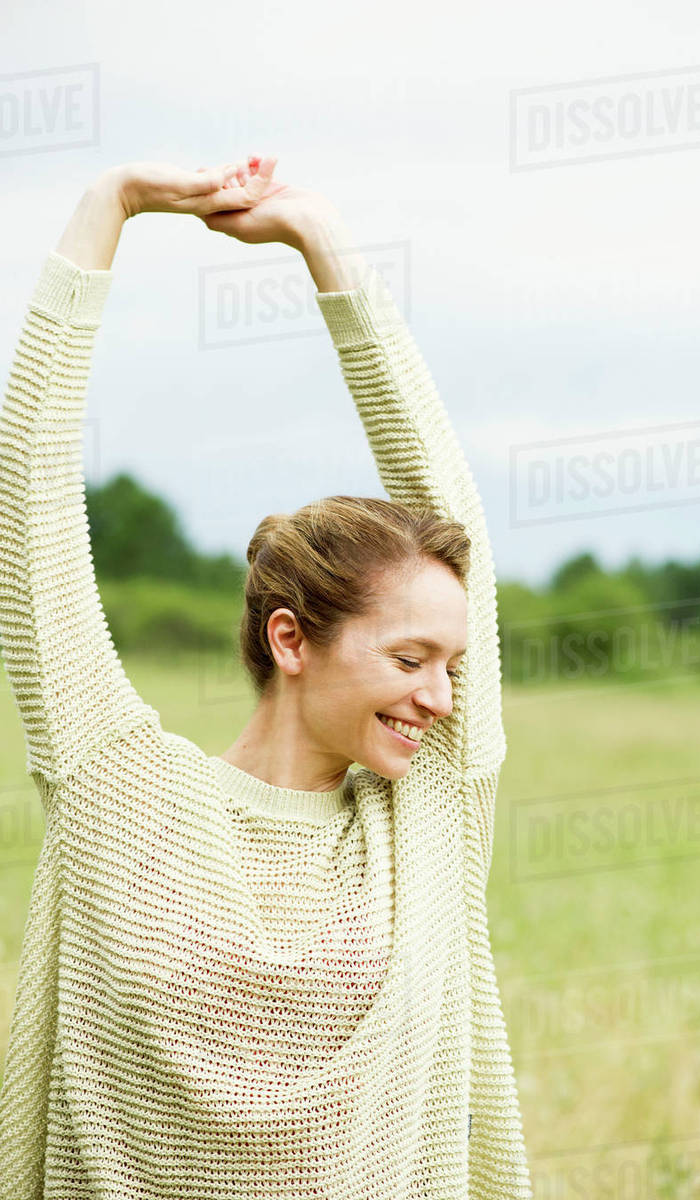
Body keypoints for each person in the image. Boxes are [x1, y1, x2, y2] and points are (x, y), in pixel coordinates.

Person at [0, 155, 533, 1198]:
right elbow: (35, 513)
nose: (442, 696)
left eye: (455, 664)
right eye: (409, 658)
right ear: (292, 641)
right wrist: (106, 209)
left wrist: (325, 248)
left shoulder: (423, 811)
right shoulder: (121, 787)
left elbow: (451, 511)